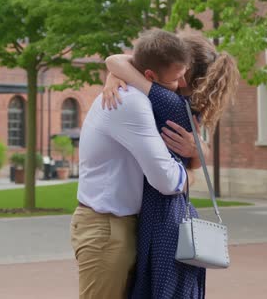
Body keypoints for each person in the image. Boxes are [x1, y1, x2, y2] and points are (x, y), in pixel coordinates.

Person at [102, 32, 240, 299]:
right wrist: (113, 76)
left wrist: (114, 74)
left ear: (184, 71)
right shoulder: (191, 107)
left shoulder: (169, 104)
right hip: (179, 216)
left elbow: (118, 61)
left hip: (162, 218)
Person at [71, 29, 194, 299]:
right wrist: (193, 172)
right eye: (176, 78)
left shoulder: (136, 93)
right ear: (149, 76)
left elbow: (123, 61)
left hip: (117, 227)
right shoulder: (130, 102)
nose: (183, 84)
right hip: (107, 229)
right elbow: (166, 180)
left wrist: (116, 69)